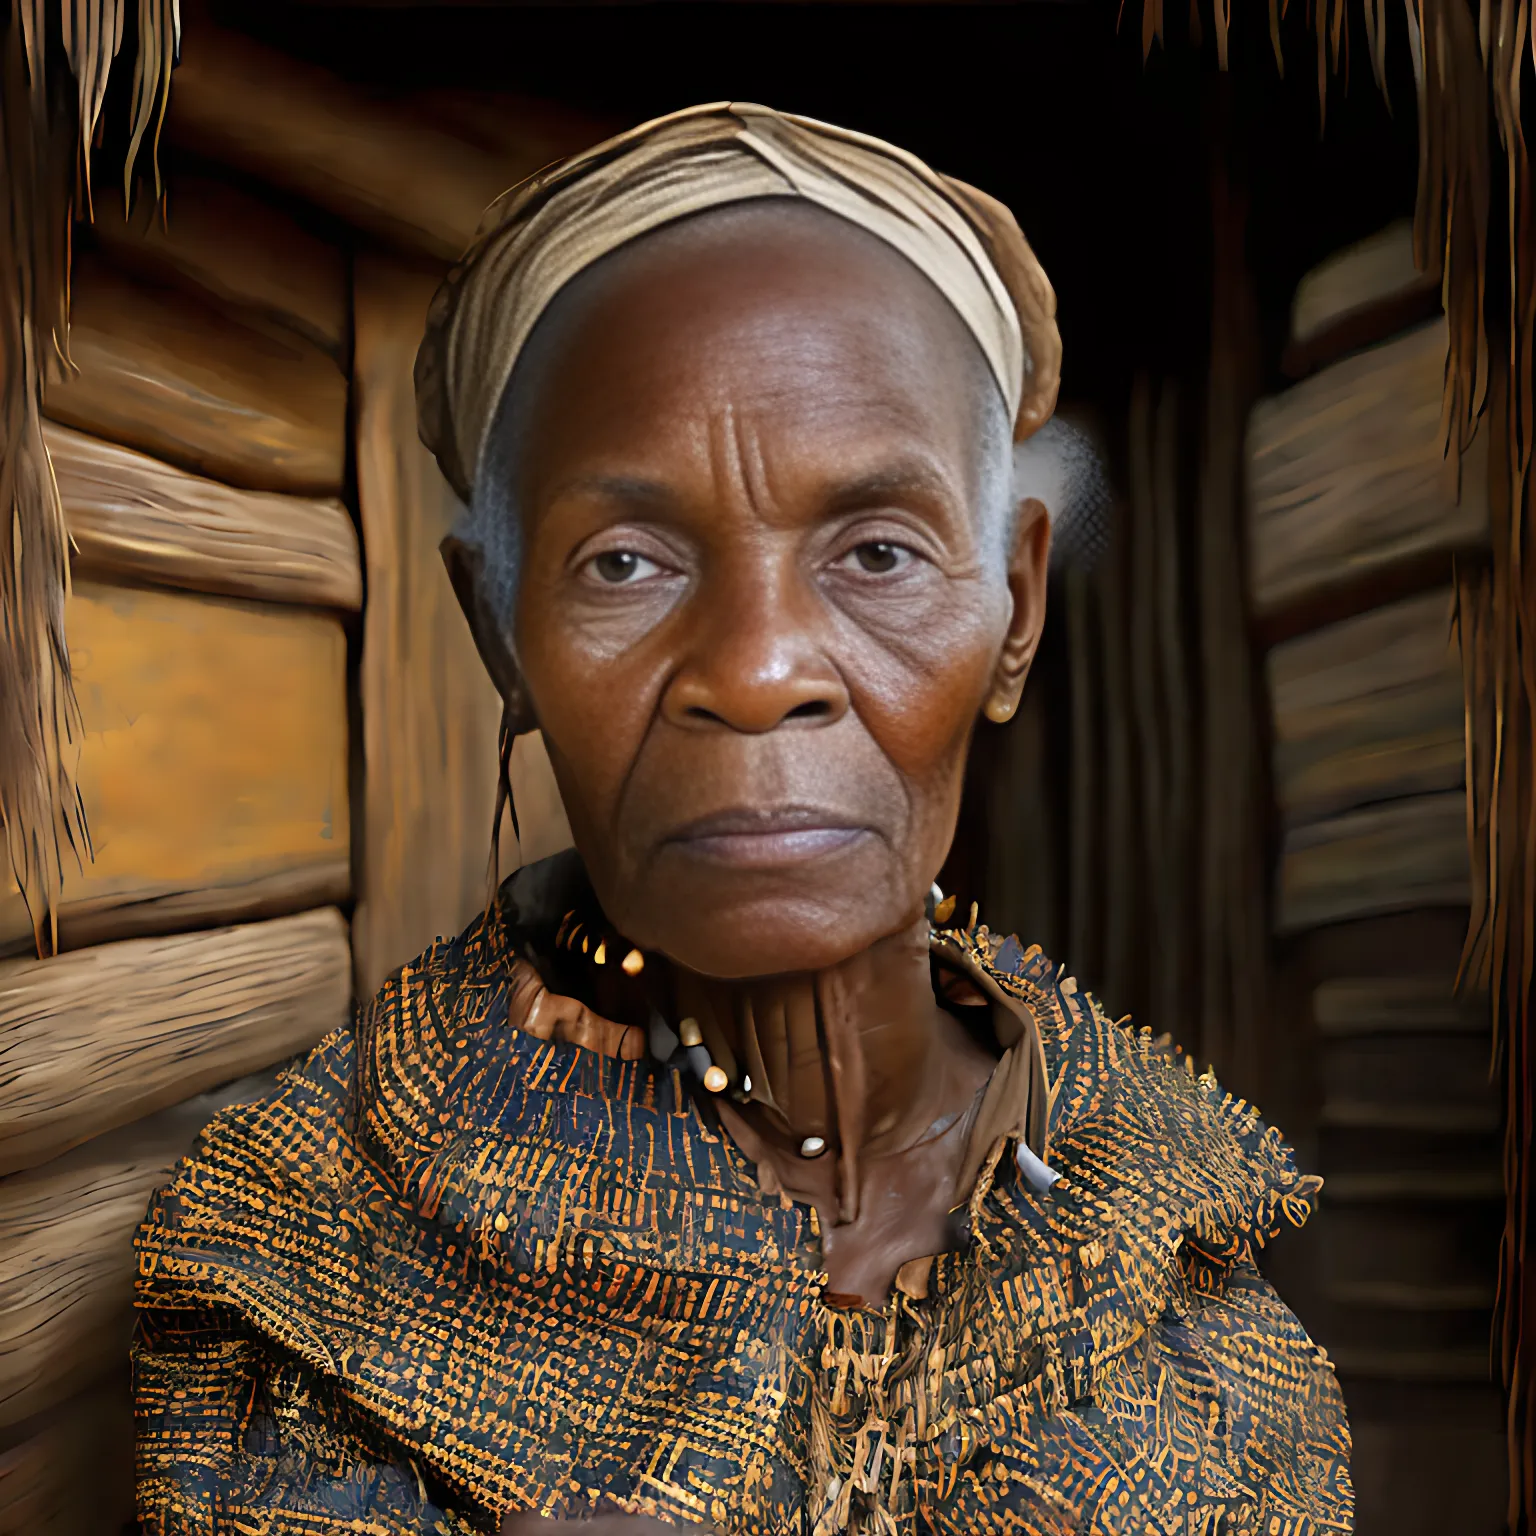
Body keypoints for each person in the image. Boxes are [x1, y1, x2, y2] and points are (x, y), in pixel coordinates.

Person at [132, 103, 1351, 1536]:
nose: (759, 670)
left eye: (880, 553)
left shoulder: (1180, 1244)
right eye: (627, 563)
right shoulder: (293, 1253)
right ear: (499, 634)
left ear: (1013, 607)